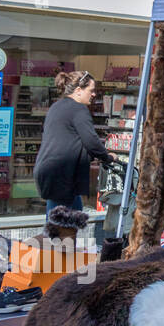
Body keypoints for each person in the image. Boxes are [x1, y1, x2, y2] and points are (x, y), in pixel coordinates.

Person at [33, 70, 113, 224]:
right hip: (61, 175)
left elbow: (68, 141)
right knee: (60, 229)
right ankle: (59, 246)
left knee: (69, 217)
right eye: (91, 90)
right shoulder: (78, 109)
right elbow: (91, 141)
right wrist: (108, 157)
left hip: (52, 173)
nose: (94, 94)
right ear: (78, 91)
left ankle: (63, 245)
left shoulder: (56, 107)